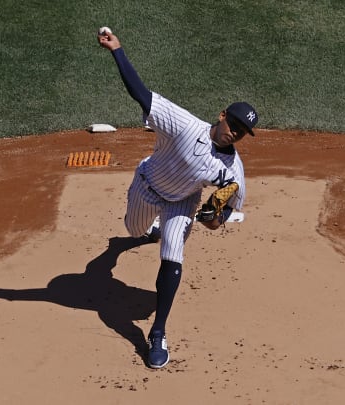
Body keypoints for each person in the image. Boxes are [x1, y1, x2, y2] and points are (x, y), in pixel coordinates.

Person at [97, 29, 258, 369]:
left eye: (243, 131)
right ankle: (130, 240)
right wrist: (118, 50)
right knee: (132, 230)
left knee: (172, 253)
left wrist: (216, 218)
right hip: (147, 185)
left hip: (182, 202)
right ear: (222, 115)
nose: (236, 132)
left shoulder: (233, 171)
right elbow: (140, 94)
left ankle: (158, 332)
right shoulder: (184, 125)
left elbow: (224, 211)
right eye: (235, 123)